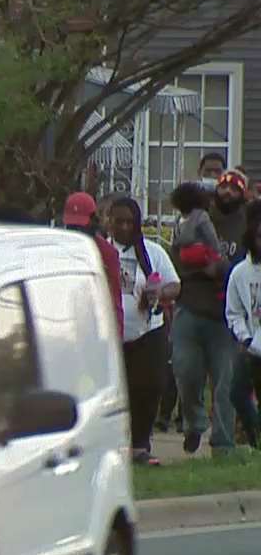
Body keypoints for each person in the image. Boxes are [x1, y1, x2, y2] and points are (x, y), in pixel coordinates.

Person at [170, 164, 250, 456]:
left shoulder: (247, 225)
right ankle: (193, 422)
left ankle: (224, 447)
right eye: (224, 185)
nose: (227, 191)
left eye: (235, 188)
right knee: (186, 373)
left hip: (226, 318)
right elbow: (175, 255)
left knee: (225, 384)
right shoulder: (197, 216)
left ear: (243, 194)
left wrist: (222, 269)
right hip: (190, 308)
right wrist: (194, 264)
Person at [108, 198, 181, 465]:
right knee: (117, 391)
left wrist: (159, 292)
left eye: (130, 221)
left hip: (148, 331)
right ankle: (114, 446)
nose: (125, 226)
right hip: (110, 334)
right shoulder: (101, 251)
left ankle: (140, 446)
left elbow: (175, 285)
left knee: (149, 387)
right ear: (109, 221)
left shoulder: (152, 252)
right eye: (119, 221)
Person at [63, 192, 125, 339]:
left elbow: (114, 300)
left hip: (96, 327)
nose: (77, 231)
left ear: (93, 220)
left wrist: (116, 338)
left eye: (81, 226)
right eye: (72, 226)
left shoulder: (107, 253)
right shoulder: (60, 247)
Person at [226, 209, 261, 449]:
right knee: (237, 392)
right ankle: (255, 437)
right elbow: (234, 311)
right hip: (252, 346)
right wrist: (245, 337)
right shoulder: (240, 272)